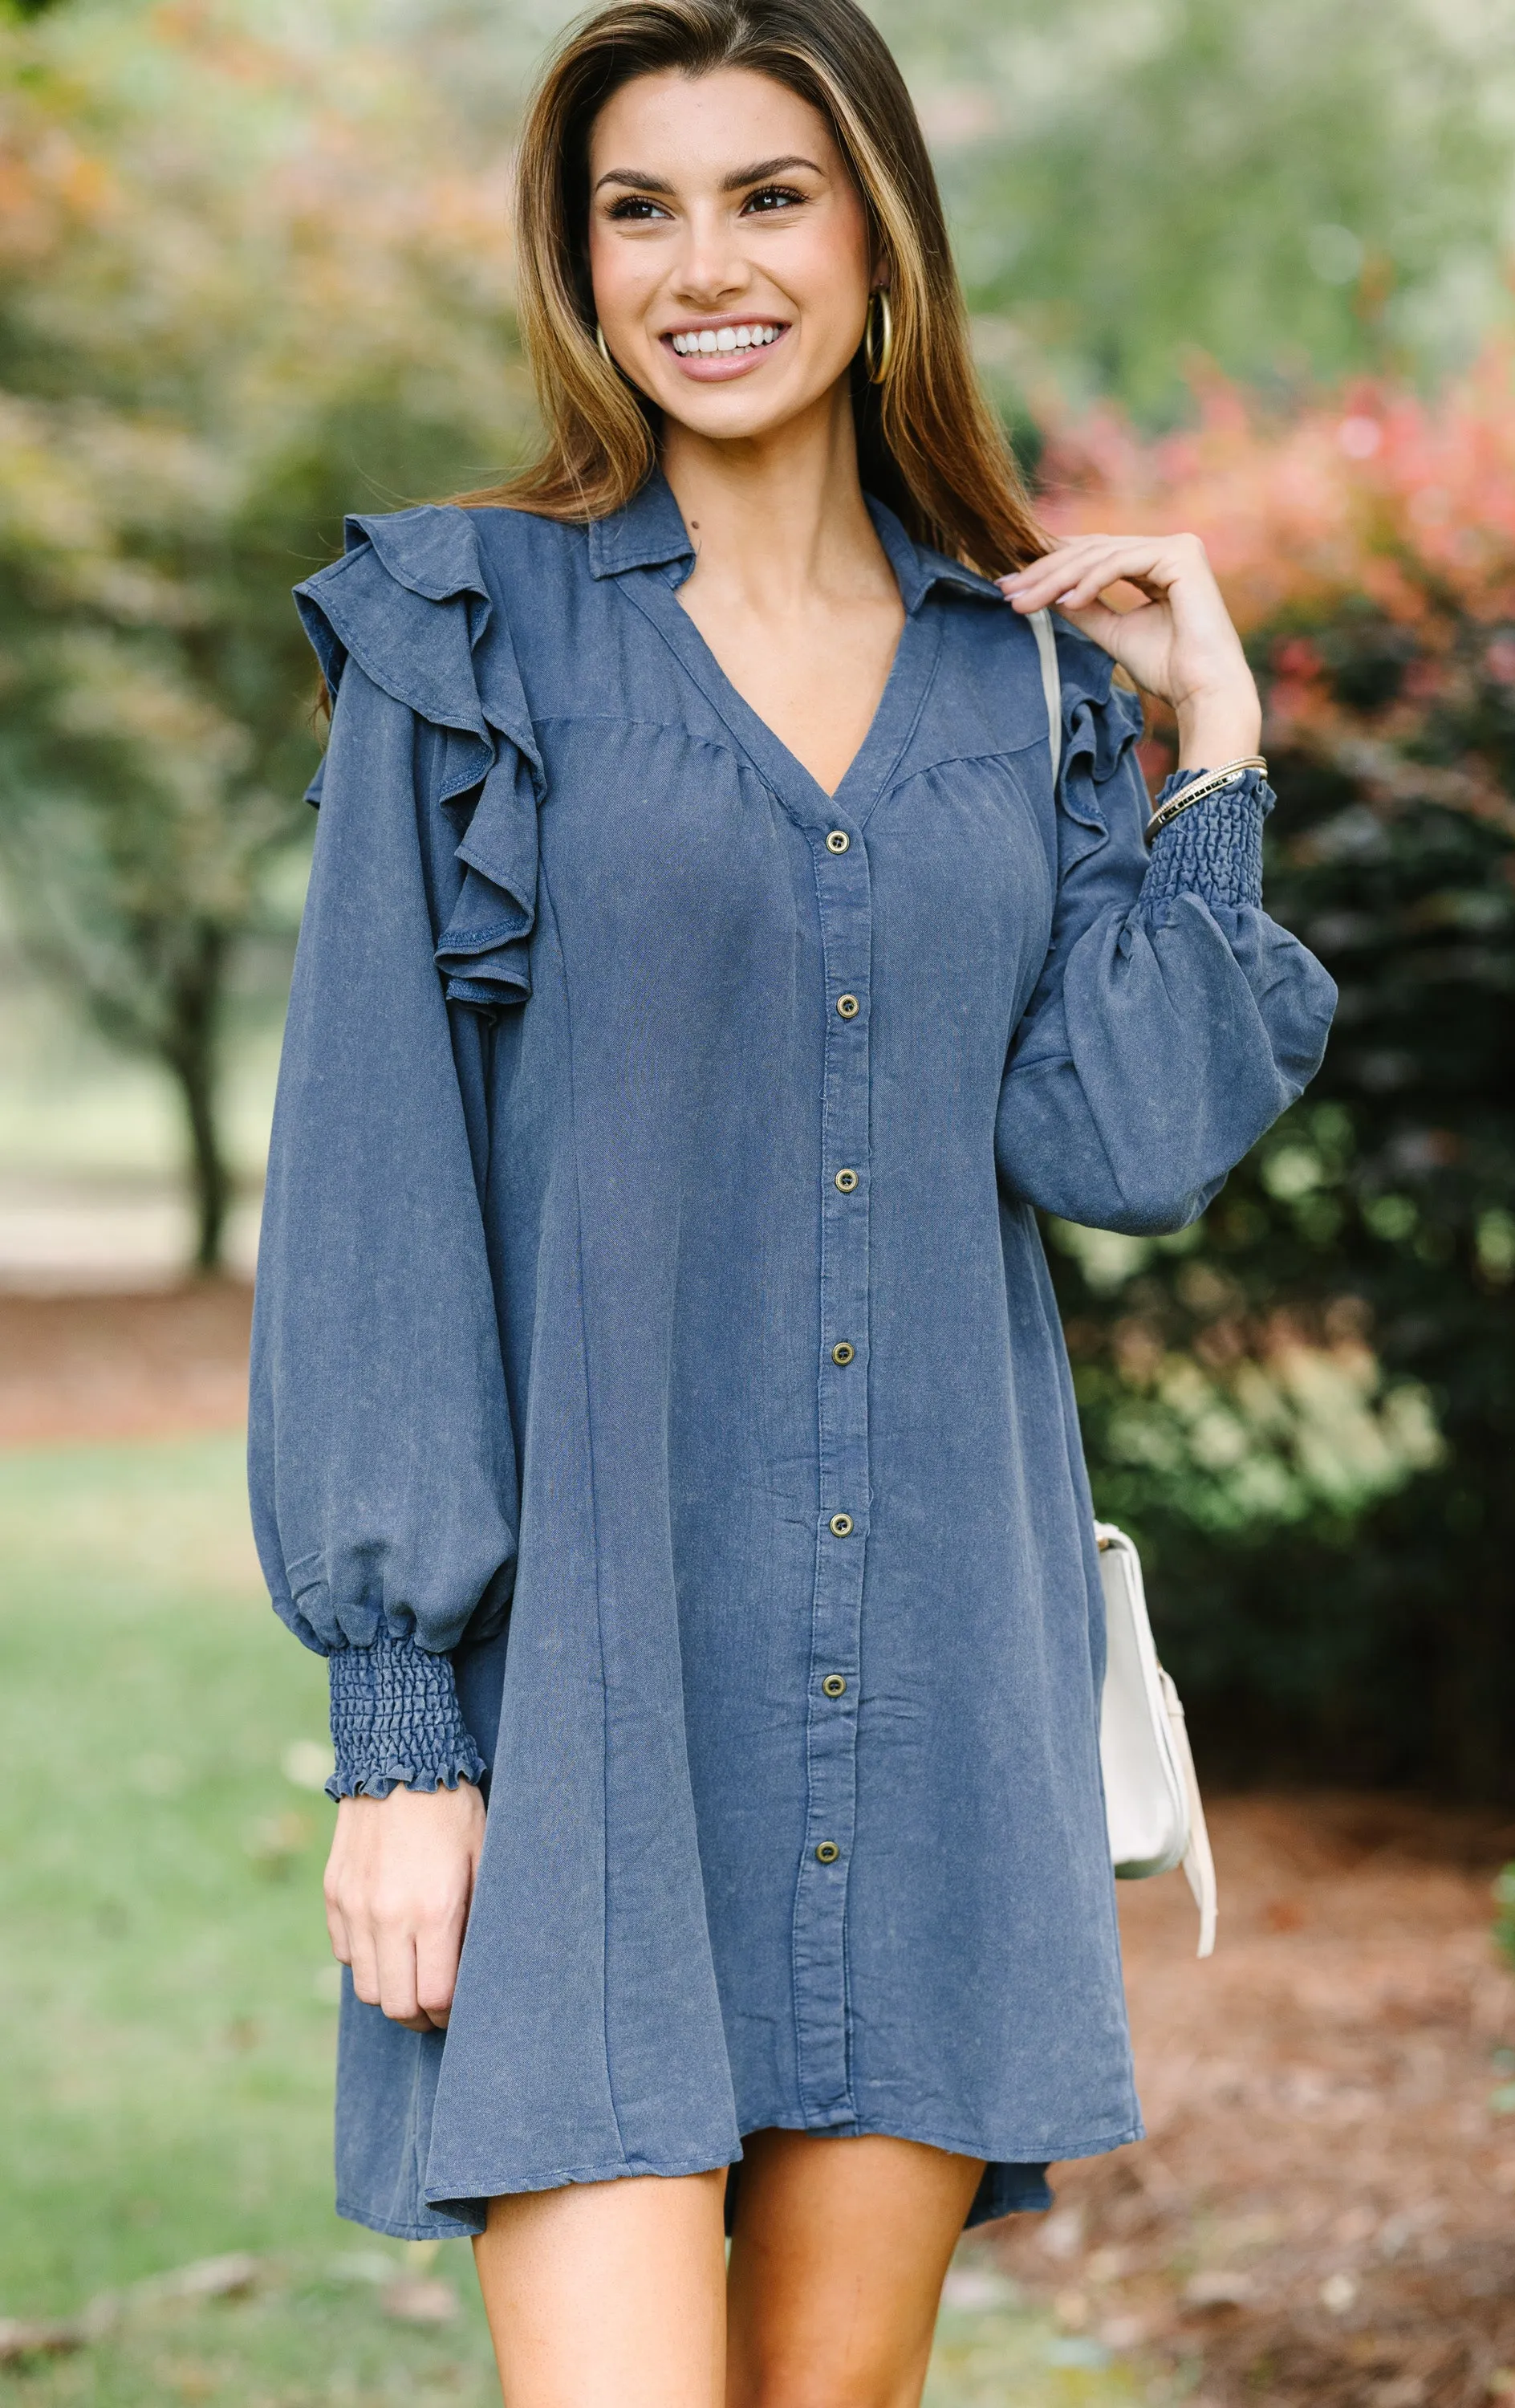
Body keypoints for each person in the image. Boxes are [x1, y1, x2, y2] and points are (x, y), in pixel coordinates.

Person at [248, 2, 1336, 2400]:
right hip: (590, 1706)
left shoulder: (1022, 682)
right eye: (641, 207)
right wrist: (403, 1730)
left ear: (880, 239)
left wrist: (1209, 751)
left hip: (939, 1694)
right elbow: (372, 1189)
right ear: (578, 260)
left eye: (770, 195)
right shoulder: (465, 632)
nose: (702, 265)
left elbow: (1120, 1145)